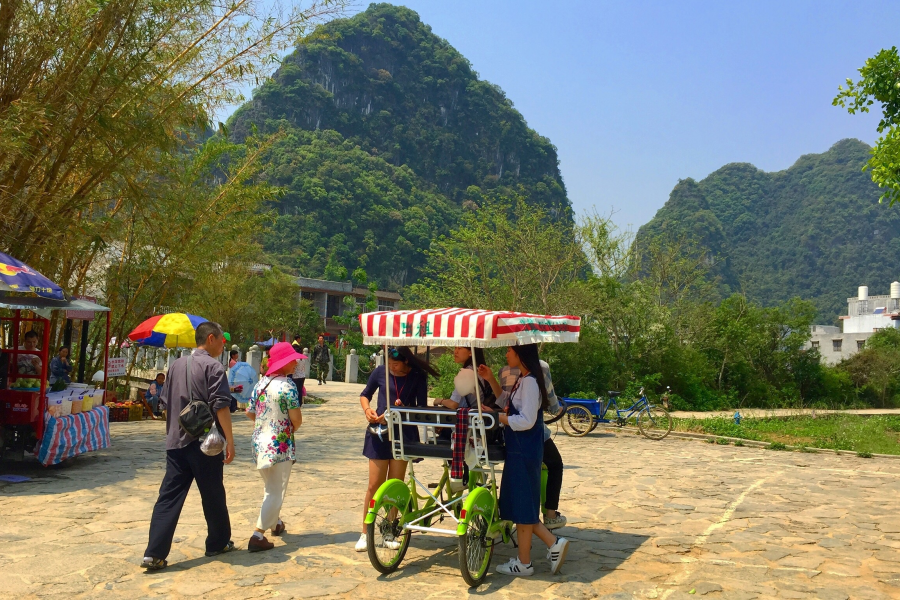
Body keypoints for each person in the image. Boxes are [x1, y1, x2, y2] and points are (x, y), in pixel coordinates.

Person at [142, 321, 236, 571]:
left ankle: (154, 553)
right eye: (221, 340)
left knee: (169, 496)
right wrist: (230, 440)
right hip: (205, 442)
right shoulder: (214, 367)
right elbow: (221, 405)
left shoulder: (175, 365)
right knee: (213, 494)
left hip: (175, 441)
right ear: (212, 339)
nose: (223, 345)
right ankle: (217, 543)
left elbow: (165, 402)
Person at [479, 344, 568, 576]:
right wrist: (490, 379)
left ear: (521, 354)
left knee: (523, 504)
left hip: (524, 447)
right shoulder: (524, 378)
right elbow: (508, 401)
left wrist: (499, 418)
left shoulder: (529, 382)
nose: (506, 354)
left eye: (509, 350)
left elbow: (526, 420)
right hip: (520, 448)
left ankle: (548, 545)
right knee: (521, 505)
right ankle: (526, 560)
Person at [355, 347, 439, 552]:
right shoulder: (380, 373)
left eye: (396, 365)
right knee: (374, 485)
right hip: (379, 433)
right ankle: (365, 532)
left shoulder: (417, 377)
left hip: (403, 434)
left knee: (395, 484)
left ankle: (389, 530)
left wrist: (399, 410)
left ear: (407, 363)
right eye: (390, 364)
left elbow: (420, 409)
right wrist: (368, 410)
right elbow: (365, 395)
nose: (392, 368)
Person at [245, 342, 304, 552]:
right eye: (293, 359)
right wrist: (283, 430)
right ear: (284, 362)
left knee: (270, 486)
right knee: (276, 491)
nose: (296, 362)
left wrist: (265, 425)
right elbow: (296, 419)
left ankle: (275, 522)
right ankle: (257, 534)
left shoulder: (262, 383)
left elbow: (249, 412)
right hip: (280, 444)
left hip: (259, 442)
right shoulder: (288, 387)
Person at [498, 360, 567, 530]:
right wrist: (555, 408)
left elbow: (504, 402)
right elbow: (551, 401)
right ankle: (550, 515)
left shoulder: (503, 371)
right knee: (555, 464)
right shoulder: (540, 368)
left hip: (504, 429)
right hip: (527, 432)